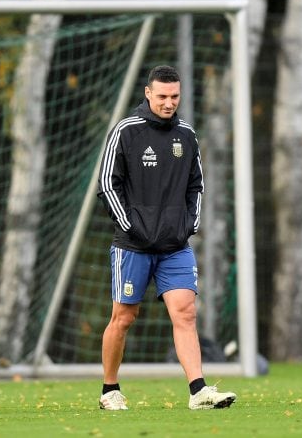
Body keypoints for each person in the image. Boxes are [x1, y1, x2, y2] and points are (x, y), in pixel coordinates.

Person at [96, 65, 237, 411]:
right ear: (148, 93)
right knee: (124, 317)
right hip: (133, 245)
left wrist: (189, 224)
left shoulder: (187, 135)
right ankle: (109, 390)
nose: (168, 102)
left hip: (175, 245)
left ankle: (199, 391)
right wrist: (130, 226)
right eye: (162, 96)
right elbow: (106, 184)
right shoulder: (126, 132)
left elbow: (196, 186)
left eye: (174, 96)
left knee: (185, 313)